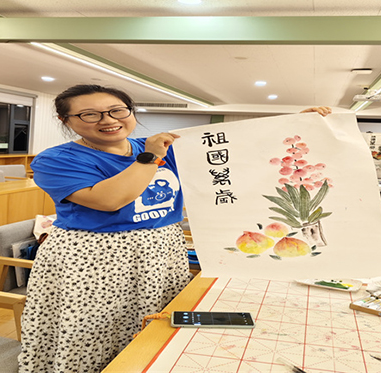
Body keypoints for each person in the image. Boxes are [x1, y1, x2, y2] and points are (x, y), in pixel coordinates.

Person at [18, 84, 332, 372]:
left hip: (162, 250)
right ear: (66, 120)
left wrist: (294, 126)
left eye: (117, 110)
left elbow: (238, 153)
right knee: (92, 330)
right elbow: (110, 199)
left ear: (131, 112)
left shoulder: (169, 148)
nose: (108, 120)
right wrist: (151, 157)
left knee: (156, 323)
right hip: (93, 258)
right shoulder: (55, 160)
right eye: (90, 114)